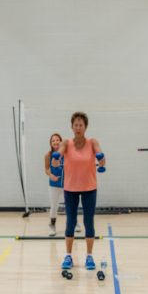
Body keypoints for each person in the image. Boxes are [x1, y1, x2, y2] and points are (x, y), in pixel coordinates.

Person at [55, 111, 105, 271]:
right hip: (70, 188)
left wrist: (101, 159)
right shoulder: (66, 143)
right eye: (75, 125)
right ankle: (68, 255)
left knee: (88, 222)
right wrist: (56, 158)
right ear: (72, 126)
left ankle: (89, 256)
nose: (78, 127)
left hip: (89, 188)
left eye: (81, 125)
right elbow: (59, 153)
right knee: (71, 222)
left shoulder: (92, 142)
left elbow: (100, 155)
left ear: (85, 127)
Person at [44, 133, 64, 236]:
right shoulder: (48, 155)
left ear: (61, 141)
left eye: (57, 140)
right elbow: (46, 170)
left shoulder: (66, 153)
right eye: (53, 140)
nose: (55, 142)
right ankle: (52, 225)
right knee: (54, 206)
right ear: (51, 143)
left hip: (66, 184)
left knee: (71, 205)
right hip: (54, 184)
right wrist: (51, 176)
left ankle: (74, 223)